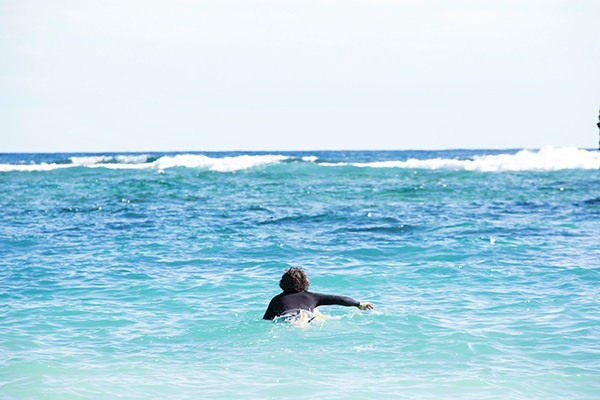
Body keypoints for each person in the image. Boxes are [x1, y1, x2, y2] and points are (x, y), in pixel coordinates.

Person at [263, 267, 374, 321]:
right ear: (305, 282)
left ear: (282, 283)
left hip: (286, 317)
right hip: (306, 313)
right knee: (314, 312)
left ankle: (300, 319)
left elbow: (266, 320)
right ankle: (303, 317)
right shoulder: (313, 297)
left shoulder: (276, 299)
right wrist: (359, 304)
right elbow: (340, 299)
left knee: (291, 319)